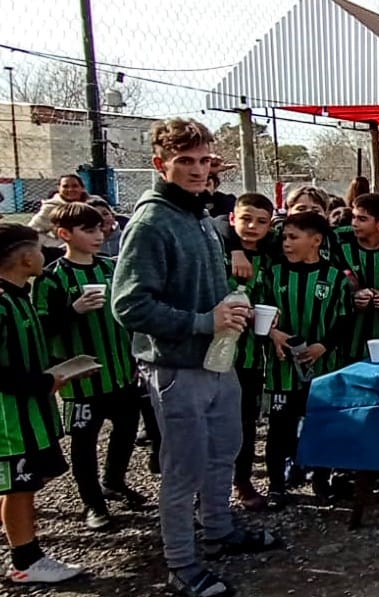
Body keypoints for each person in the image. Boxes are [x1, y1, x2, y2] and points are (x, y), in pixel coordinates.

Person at [111, 117, 279, 597]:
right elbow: (129, 305)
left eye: (204, 161)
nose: (197, 170)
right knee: (183, 466)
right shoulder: (151, 222)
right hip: (176, 365)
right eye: (185, 161)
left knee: (223, 450)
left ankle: (220, 530)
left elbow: (200, 285)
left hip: (217, 360)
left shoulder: (197, 215)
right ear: (160, 163)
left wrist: (234, 299)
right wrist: (204, 321)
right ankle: (181, 562)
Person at [32, 203, 145, 532]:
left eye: (100, 229)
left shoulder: (113, 268)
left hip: (122, 372)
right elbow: (40, 328)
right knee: (84, 444)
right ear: (64, 235)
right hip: (82, 383)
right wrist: (73, 311)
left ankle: (114, 481)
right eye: (89, 230)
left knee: (125, 433)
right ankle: (92, 504)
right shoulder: (52, 279)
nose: (99, 235)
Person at [0, 224, 82, 584]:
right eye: (39, 248)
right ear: (24, 257)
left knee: (29, 480)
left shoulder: (20, 296)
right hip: (10, 422)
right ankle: (25, 561)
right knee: (19, 487)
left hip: (32, 416)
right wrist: (44, 381)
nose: (44, 255)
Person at [264, 211, 351, 510]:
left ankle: (321, 483)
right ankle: (276, 487)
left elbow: (345, 319)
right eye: (285, 237)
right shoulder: (272, 273)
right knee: (280, 429)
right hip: (282, 369)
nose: (286, 243)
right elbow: (259, 312)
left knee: (322, 425)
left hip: (322, 368)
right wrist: (272, 333)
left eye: (293, 237)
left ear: (316, 240)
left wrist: (323, 346)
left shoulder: (335, 277)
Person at [225, 193, 275, 512]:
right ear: (233, 219)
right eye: (245, 219)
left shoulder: (272, 254)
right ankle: (207, 491)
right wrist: (232, 246)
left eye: (261, 221)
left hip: (253, 355)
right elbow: (213, 221)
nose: (252, 226)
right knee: (214, 423)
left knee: (245, 422)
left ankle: (242, 482)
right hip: (215, 355)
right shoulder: (217, 250)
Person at [335, 193, 379, 363]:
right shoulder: (339, 242)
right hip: (347, 340)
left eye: (362, 219)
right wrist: (352, 296)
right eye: (353, 217)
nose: (354, 223)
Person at [28, 174, 92, 262]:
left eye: (75, 186)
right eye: (65, 186)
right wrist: (57, 244)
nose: (70, 189)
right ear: (59, 188)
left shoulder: (94, 203)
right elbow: (31, 231)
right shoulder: (51, 208)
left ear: (82, 188)